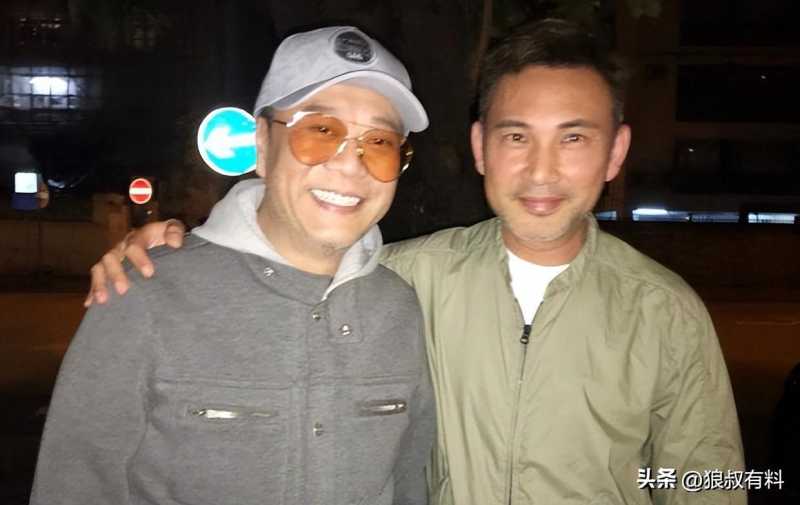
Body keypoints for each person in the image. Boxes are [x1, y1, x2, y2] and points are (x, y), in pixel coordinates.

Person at [85, 19, 746, 505]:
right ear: (480, 147)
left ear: (615, 152)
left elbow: (707, 482)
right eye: (516, 137)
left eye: (574, 138)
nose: (542, 170)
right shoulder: (402, 279)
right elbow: (293, 251)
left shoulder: (666, 312)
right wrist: (177, 246)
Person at [31, 26, 435, 505]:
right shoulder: (144, 295)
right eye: (321, 131)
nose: (352, 165)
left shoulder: (402, 309)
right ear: (262, 145)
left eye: (380, 141)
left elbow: (411, 483)